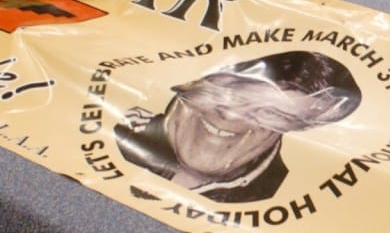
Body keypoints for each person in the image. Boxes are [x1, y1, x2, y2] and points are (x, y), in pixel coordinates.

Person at [114, 51, 362, 203]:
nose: (230, 114)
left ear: (296, 127)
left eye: (269, 113)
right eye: (225, 94)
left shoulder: (284, 195)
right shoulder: (114, 129)